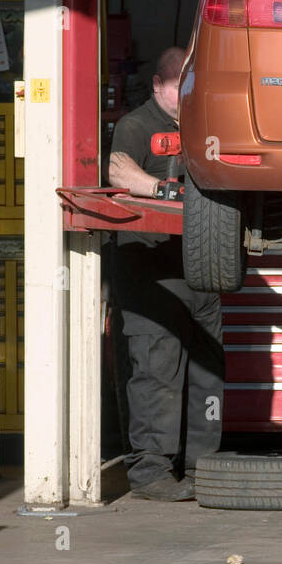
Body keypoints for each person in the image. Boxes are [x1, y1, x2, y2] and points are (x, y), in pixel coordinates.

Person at [109, 46, 224, 500]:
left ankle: (203, 468)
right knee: (157, 370)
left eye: (189, 86)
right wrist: (163, 188)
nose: (184, 94)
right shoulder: (135, 125)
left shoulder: (203, 126)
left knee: (208, 371)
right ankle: (151, 474)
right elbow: (119, 173)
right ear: (158, 85)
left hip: (199, 270)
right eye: (177, 86)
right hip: (147, 270)